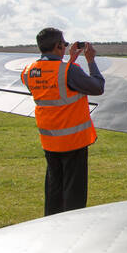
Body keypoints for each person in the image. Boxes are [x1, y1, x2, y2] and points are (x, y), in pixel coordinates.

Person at [21, 27, 103, 215]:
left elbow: (54, 82)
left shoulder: (28, 71)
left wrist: (70, 60)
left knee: (54, 189)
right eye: (64, 44)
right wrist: (91, 61)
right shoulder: (69, 70)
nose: (65, 46)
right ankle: (71, 228)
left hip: (50, 141)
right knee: (74, 193)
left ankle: (51, 225)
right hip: (73, 141)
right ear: (58, 45)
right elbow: (98, 87)